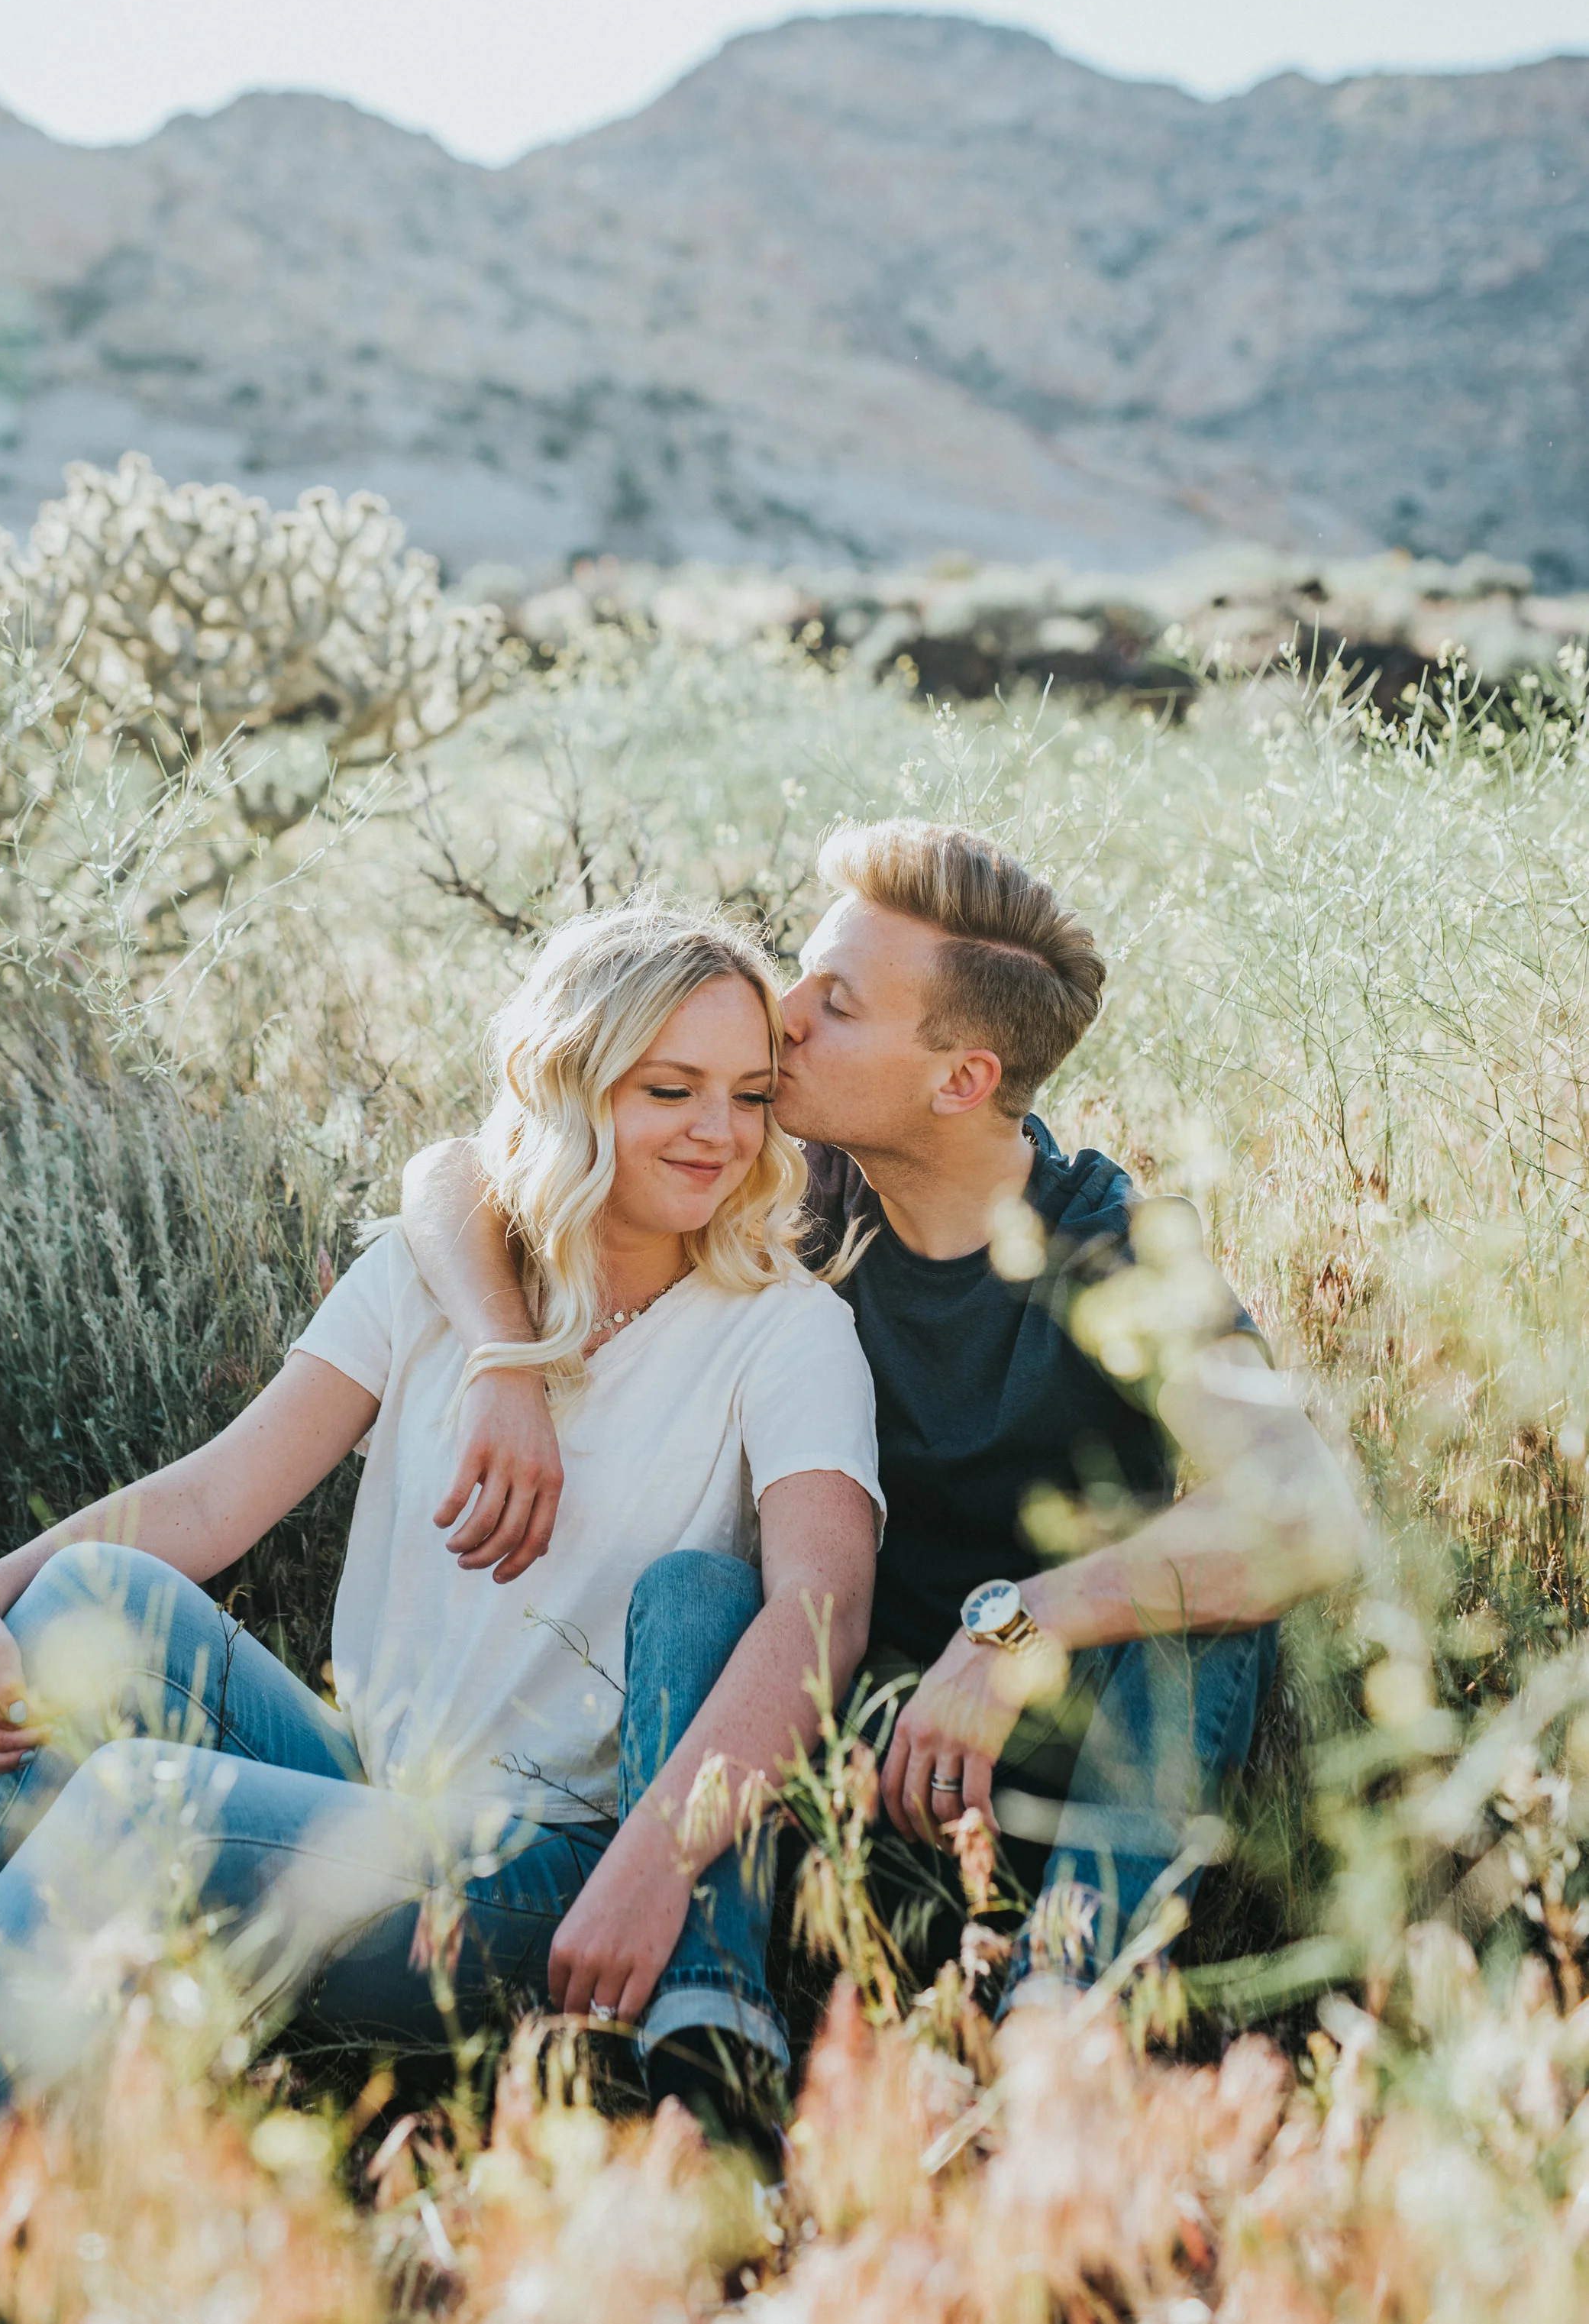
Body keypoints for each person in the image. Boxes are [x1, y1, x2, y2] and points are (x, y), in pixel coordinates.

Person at [0, 907, 881, 2192]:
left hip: (557, 1880)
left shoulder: (784, 1330)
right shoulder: (440, 1281)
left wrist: (661, 1864)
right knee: (98, 1596)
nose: (719, 1130)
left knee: (155, 1804)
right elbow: (212, 1503)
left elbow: (822, 1615)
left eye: (750, 1096)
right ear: (570, 1079)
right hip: (365, 1796)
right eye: (671, 1089)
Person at [402, 819, 1369, 2004]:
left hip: (1043, 1799)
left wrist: (1011, 1630)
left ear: (961, 1079)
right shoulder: (785, 1194)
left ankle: (1061, 2007)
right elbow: (458, 1171)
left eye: (839, 1003)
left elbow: (1303, 1513)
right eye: (801, 974)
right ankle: (712, 1996)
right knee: (700, 1592)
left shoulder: (1116, 1247)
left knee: (1219, 1602)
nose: (786, 1012)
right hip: (813, 1791)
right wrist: (504, 1359)